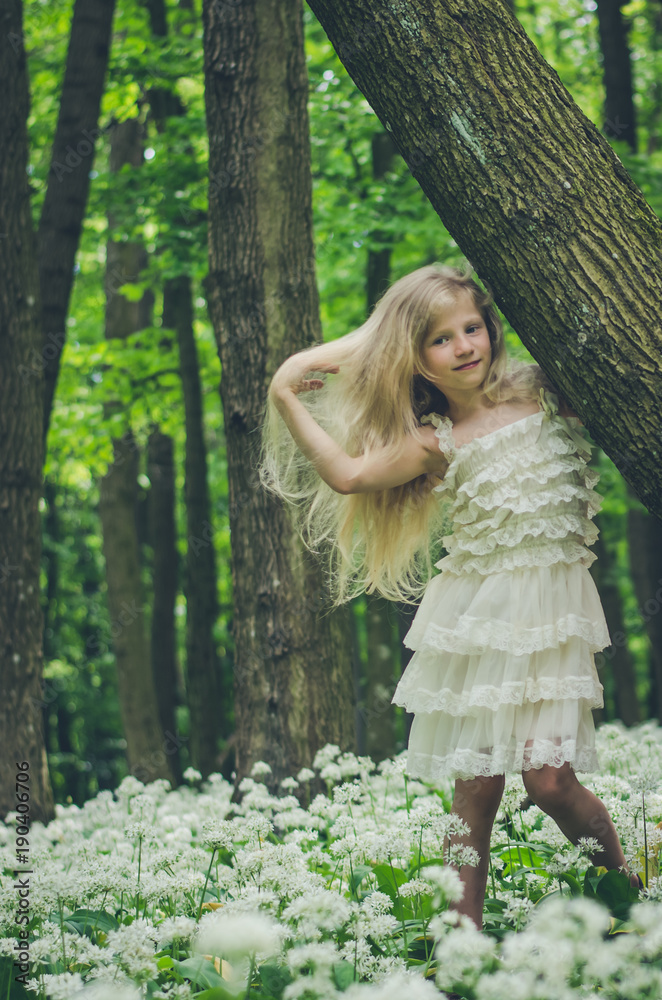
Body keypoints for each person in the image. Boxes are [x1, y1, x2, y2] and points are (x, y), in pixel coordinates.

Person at [259, 263, 642, 928]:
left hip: (552, 614)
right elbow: (349, 475)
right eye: (441, 339)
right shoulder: (434, 442)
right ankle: (457, 943)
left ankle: (634, 898)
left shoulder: (542, 389)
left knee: (548, 779)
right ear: (414, 358)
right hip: (475, 616)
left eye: (472, 328)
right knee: (475, 791)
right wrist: (286, 390)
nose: (465, 346)